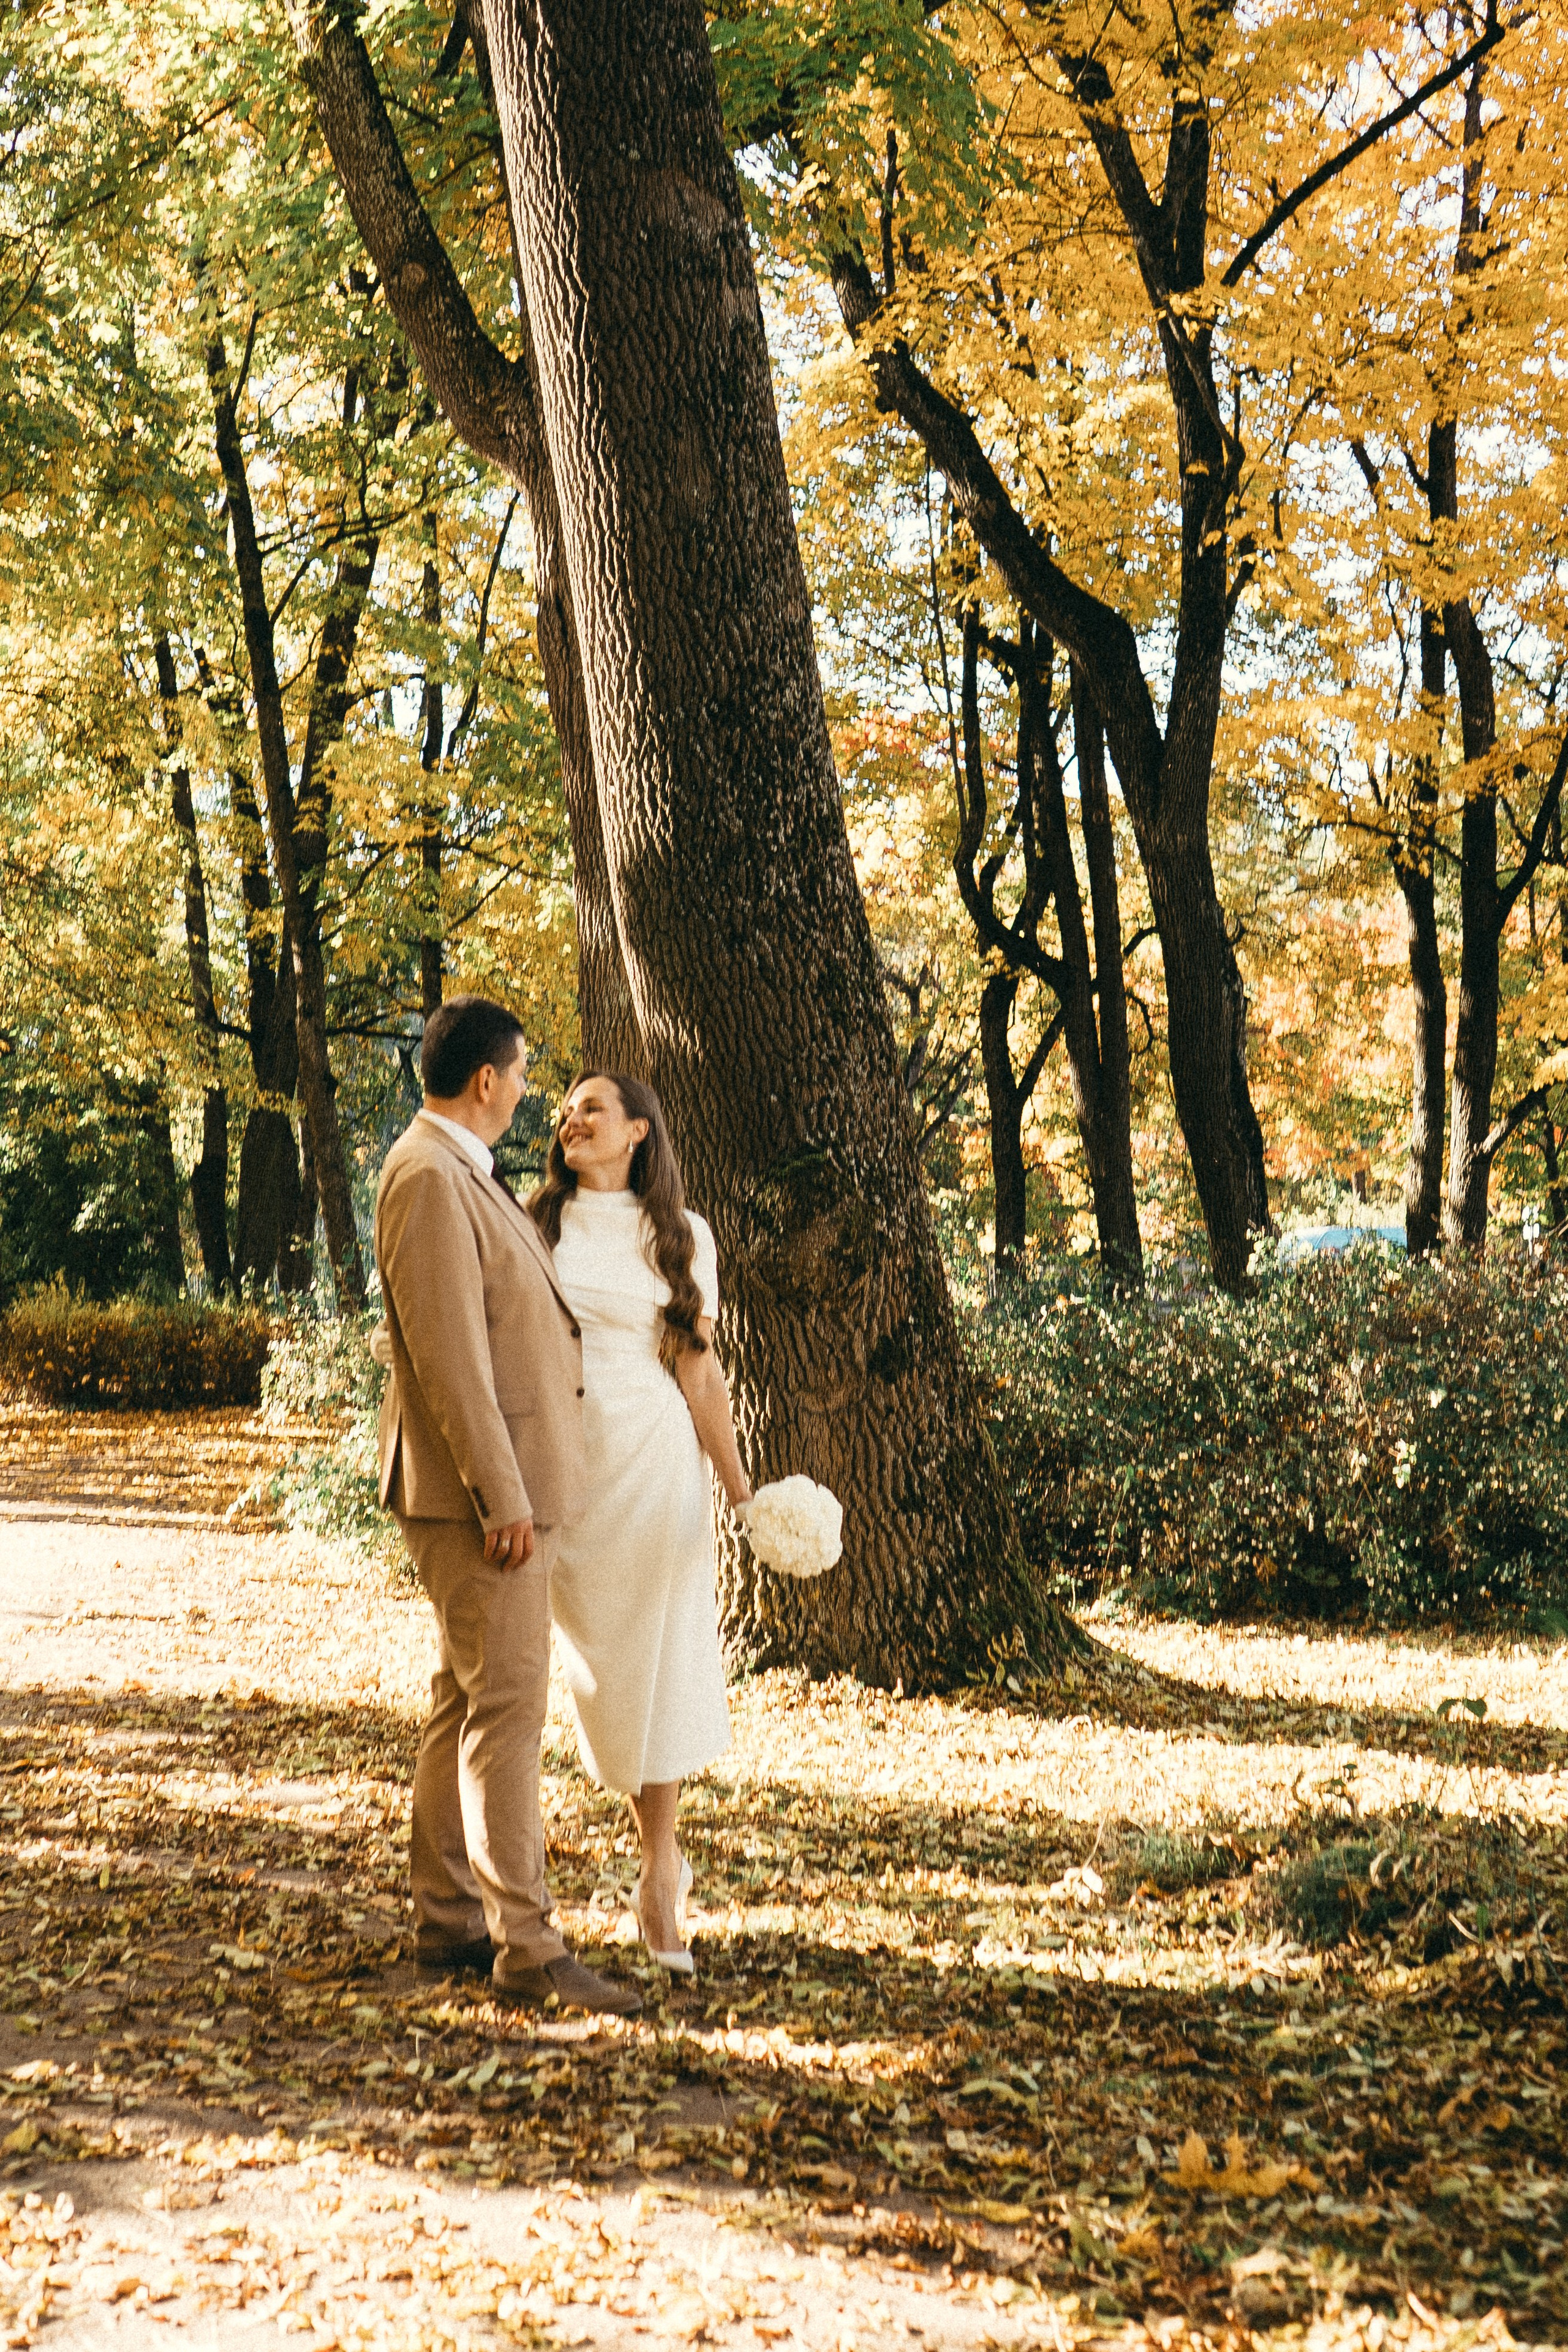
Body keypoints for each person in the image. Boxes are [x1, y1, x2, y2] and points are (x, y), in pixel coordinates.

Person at [374, 997, 641, 2019]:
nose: (529, 1090)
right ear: (486, 1080)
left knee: (466, 1698)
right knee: (510, 1710)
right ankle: (527, 1948)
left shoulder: (455, 1172)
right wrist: (502, 1495)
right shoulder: (429, 1176)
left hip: (491, 1490)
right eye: (524, 1072)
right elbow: (450, 1357)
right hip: (478, 1497)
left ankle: (448, 1917)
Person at [529, 1071, 752, 1974]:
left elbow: (699, 1372)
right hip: (566, 1469)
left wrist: (746, 1497)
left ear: (638, 1134)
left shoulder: (681, 1237)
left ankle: (659, 1875)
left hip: (657, 1463)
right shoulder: (532, 1221)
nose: (571, 1119)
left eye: (593, 1108)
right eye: (567, 1110)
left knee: (658, 1666)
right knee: (602, 1674)